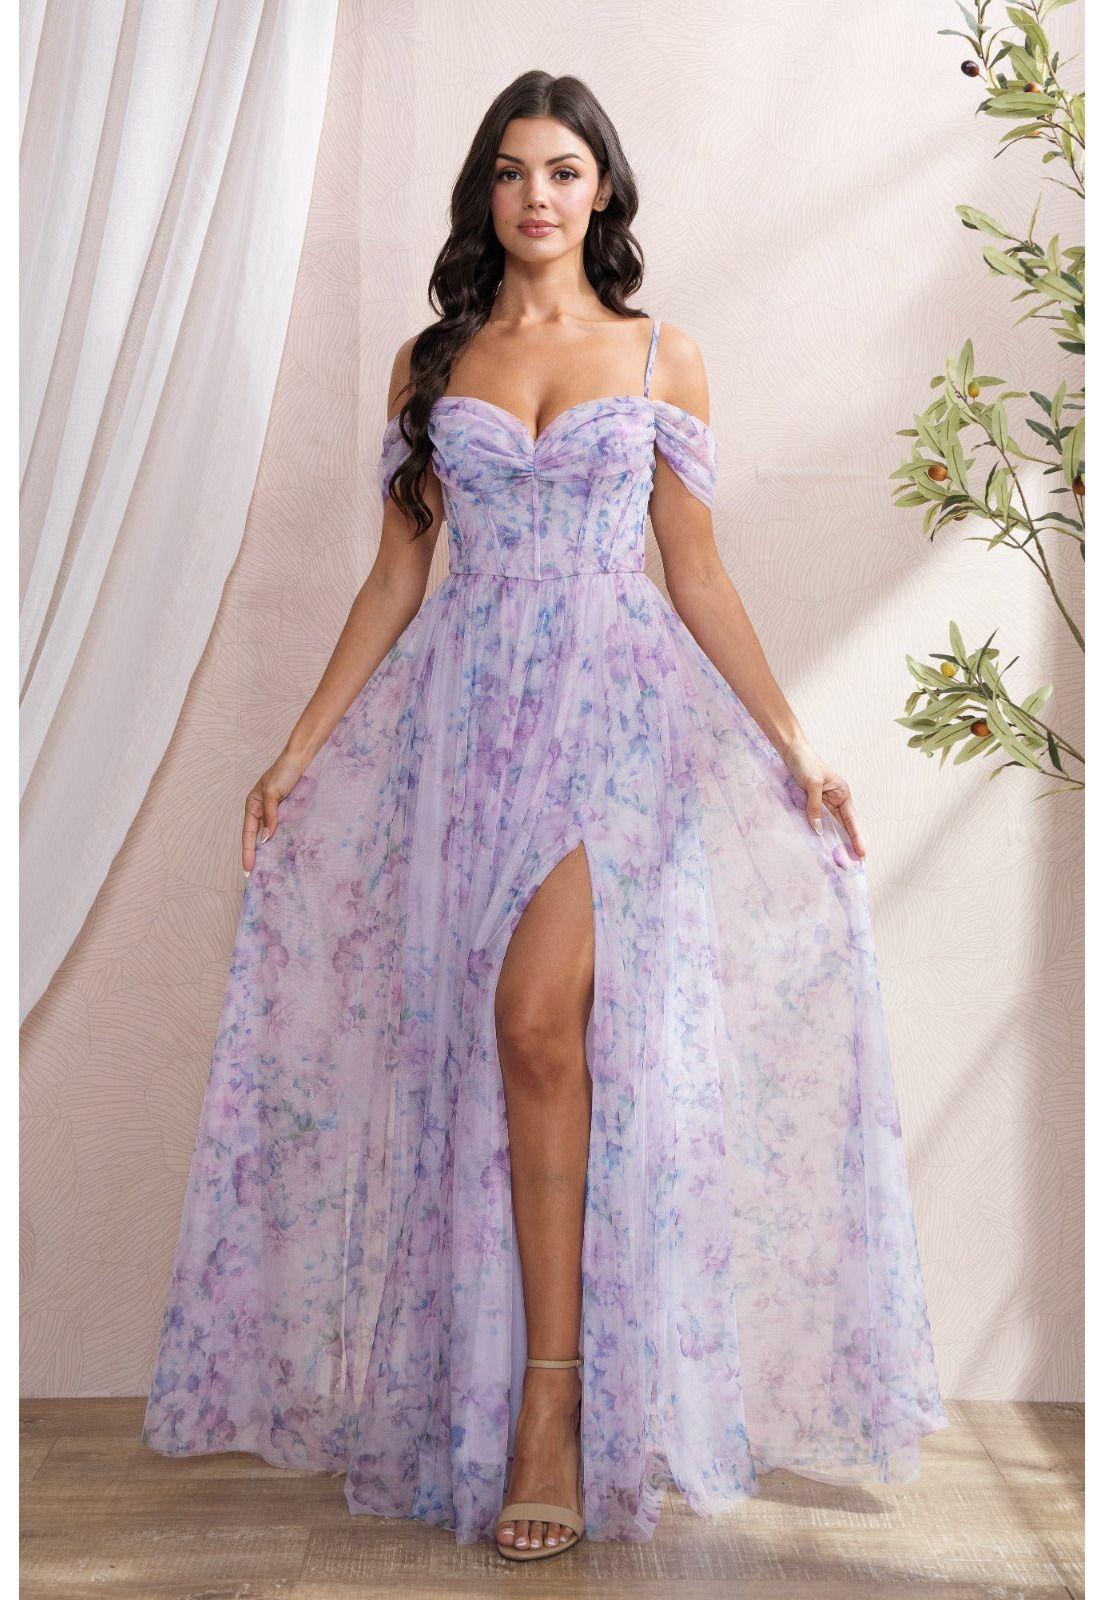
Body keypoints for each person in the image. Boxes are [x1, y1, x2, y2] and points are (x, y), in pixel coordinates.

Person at [142, 70, 948, 1564]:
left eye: (565, 171)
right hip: (466, 723)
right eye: (513, 172)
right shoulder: (432, 362)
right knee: (499, 1053)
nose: (537, 197)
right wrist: (297, 749)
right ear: (487, 194)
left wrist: (796, 745)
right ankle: (519, 1380)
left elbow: (694, 568)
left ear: (604, 192)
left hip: (618, 719)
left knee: (538, 1025)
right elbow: (400, 573)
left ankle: (553, 1406)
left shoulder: (657, 355)